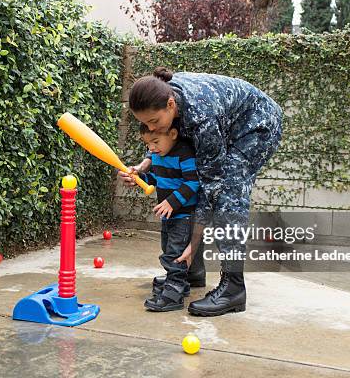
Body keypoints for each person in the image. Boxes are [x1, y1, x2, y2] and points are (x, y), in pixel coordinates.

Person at [119, 67, 282, 317]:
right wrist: (144, 165)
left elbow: (210, 186)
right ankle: (192, 272)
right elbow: (161, 141)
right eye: (145, 124)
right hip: (225, 122)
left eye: (154, 122)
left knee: (228, 194)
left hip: (257, 125)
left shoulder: (201, 116)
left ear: (171, 105)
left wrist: (194, 243)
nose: (152, 128)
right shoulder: (164, 98)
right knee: (202, 185)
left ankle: (233, 288)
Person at [138, 121, 200, 312]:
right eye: (148, 144)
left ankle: (174, 293)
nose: (151, 148)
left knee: (174, 252)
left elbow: (193, 182)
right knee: (168, 248)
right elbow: (157, 178)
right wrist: (138, 179)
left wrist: (172, 202)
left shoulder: (184, 153)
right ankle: (180, 283)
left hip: (183, 214)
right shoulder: (158, 155)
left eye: (155, 142)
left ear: (173, 134)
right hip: (168, 215)